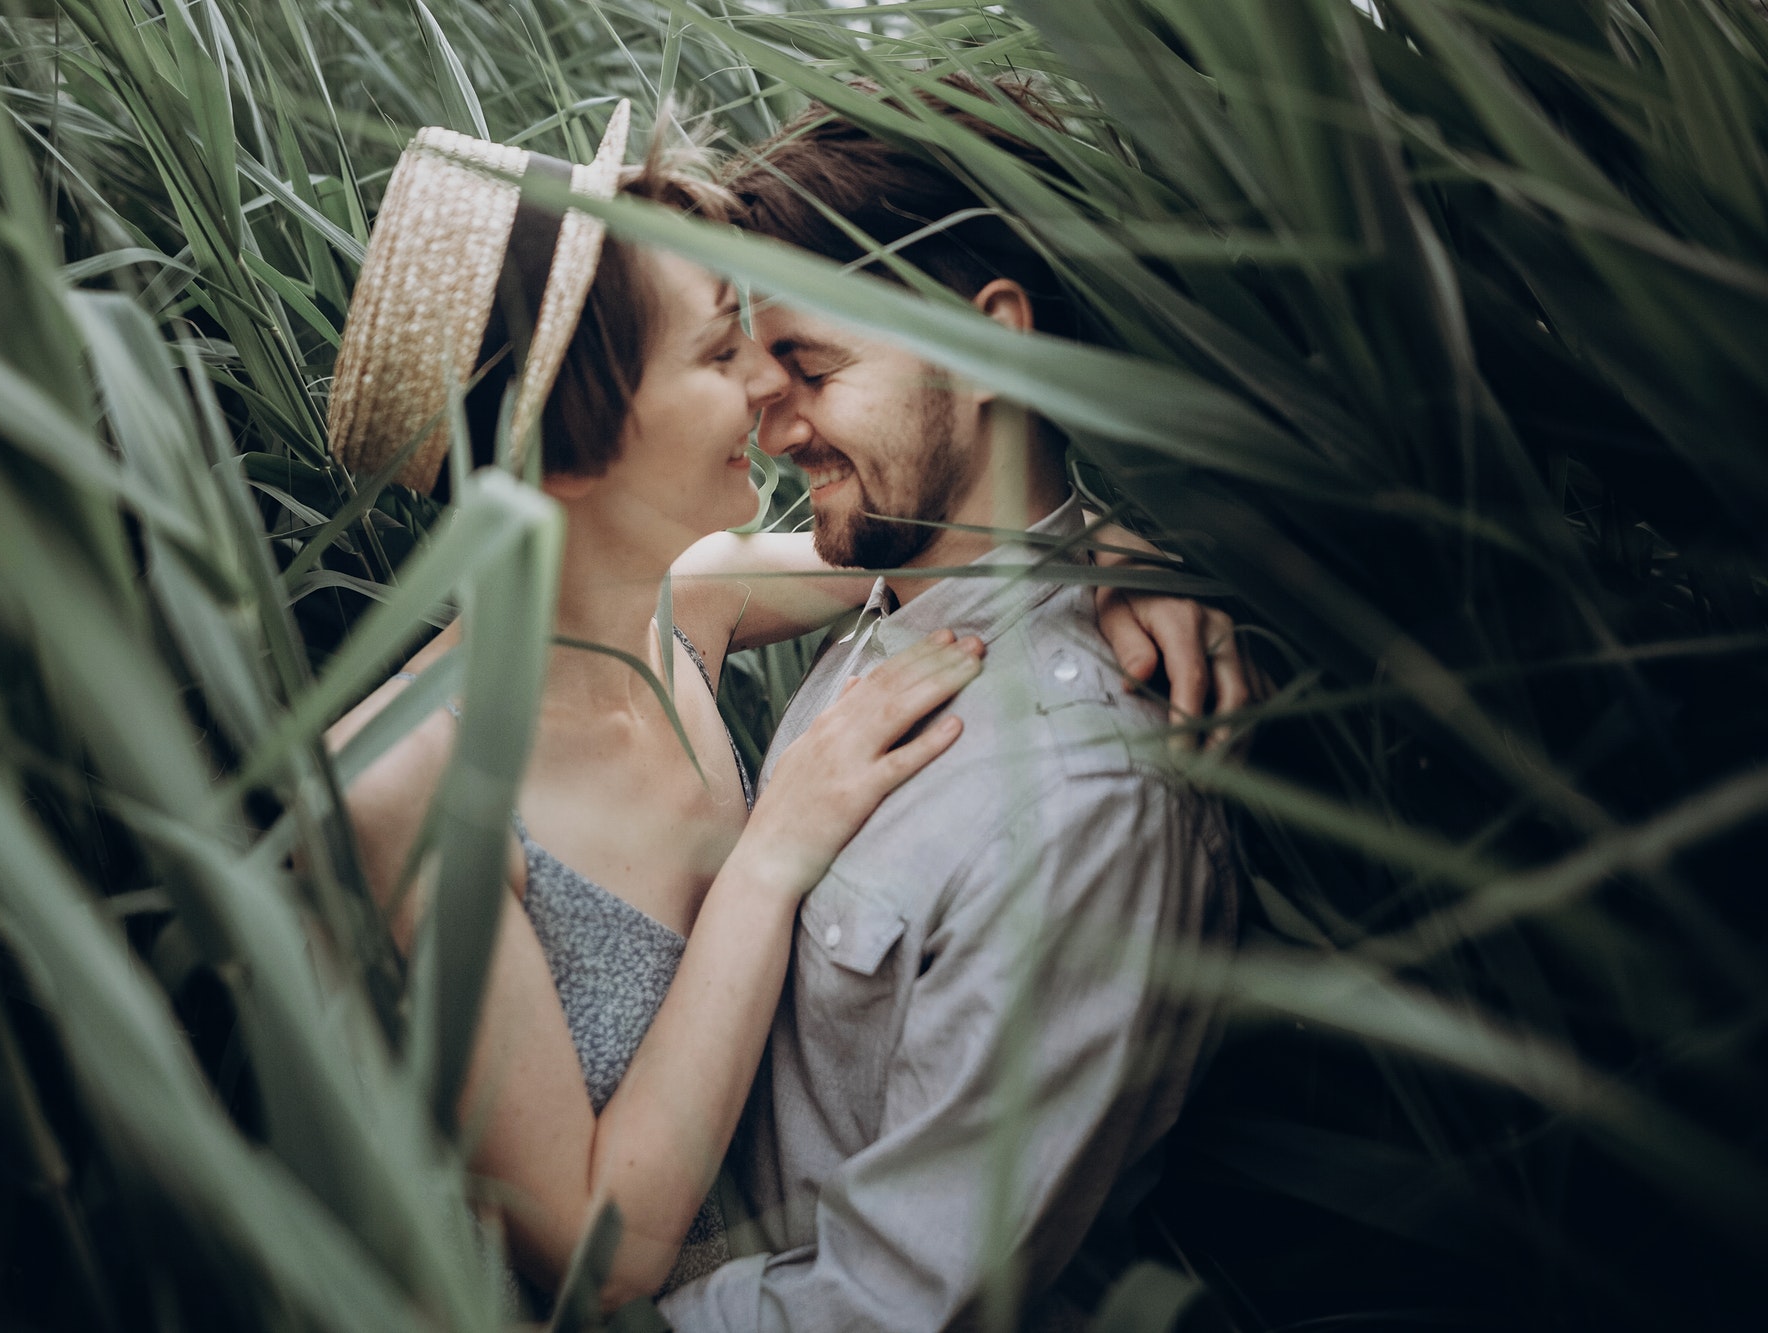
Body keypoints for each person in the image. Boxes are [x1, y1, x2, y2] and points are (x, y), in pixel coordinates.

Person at [324, 102, 1242, 1314]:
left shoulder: (688, 608)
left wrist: (1117, 556)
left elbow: (958, 532)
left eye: (791, 360)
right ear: (578, 429)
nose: (762, 392)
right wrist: (765, 858)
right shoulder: (407, 783)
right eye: (722, 355)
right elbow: (593, 1260)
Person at [654, 77, 1241, 1331]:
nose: (770, 429)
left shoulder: (1085, 801)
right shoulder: (894, 591)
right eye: (758, 375)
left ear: (990, 344)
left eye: (807, 367)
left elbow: (891, 1307)